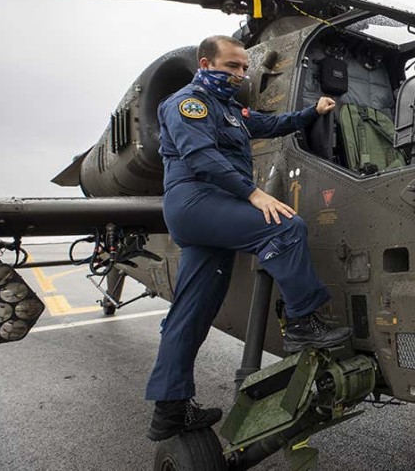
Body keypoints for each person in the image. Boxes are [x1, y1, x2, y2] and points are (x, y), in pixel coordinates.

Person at [145, 35, 352, 441]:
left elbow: (270, 124)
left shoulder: (229, 109)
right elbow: (200, 157)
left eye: (243, 68)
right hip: (196, 200)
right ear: (205, 65)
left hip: (213, 209)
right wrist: (253, 194)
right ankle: (303, 323)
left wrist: (314, 110)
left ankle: (168, 409)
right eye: (231, 68)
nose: (240, 75)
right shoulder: (188, 104)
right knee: (286, 227)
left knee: (192, 311)